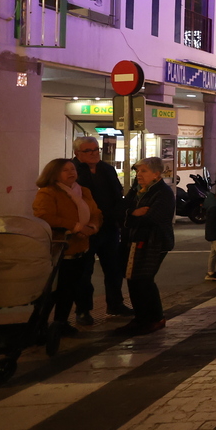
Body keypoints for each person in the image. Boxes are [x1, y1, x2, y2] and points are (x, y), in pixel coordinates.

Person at [33, 158, 103, 338]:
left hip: (82, 247)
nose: (71, 172)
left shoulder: (84, 191)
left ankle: (61, 323)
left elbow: (96, 213)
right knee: (52, 291)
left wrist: (92, 228)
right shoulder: (48, 193)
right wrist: (76, 227)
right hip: (59, 251)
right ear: (54, 173)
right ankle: (38, 326)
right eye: (65, 170)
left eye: (73, 169)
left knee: (70, 289)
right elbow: (44, 216)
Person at [72, 136, 131, 319]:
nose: (93, 153)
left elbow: (117, 194)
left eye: (95, 149)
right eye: (88, 151)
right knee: (84, 271)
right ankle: (83, 310)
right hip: (86, 229)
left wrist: (119, 217)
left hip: (109, 226)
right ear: (77, 153)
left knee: (113, 268)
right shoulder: (72, 170)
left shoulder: (107, 169)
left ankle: (115, 304)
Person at [118, 157, 175, 335]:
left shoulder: (162, 193)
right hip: (134, 239)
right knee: (134, 279)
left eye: (143, 171)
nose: (138, 175)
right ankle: (141, 317)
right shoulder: (137, 190)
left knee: (143, 279)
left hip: (153, 241)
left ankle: (154, 318)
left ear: (156, 174)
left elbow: (151, 219)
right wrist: (132, 213)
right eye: (137, 171)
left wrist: (129, 218)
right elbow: (121, 209)